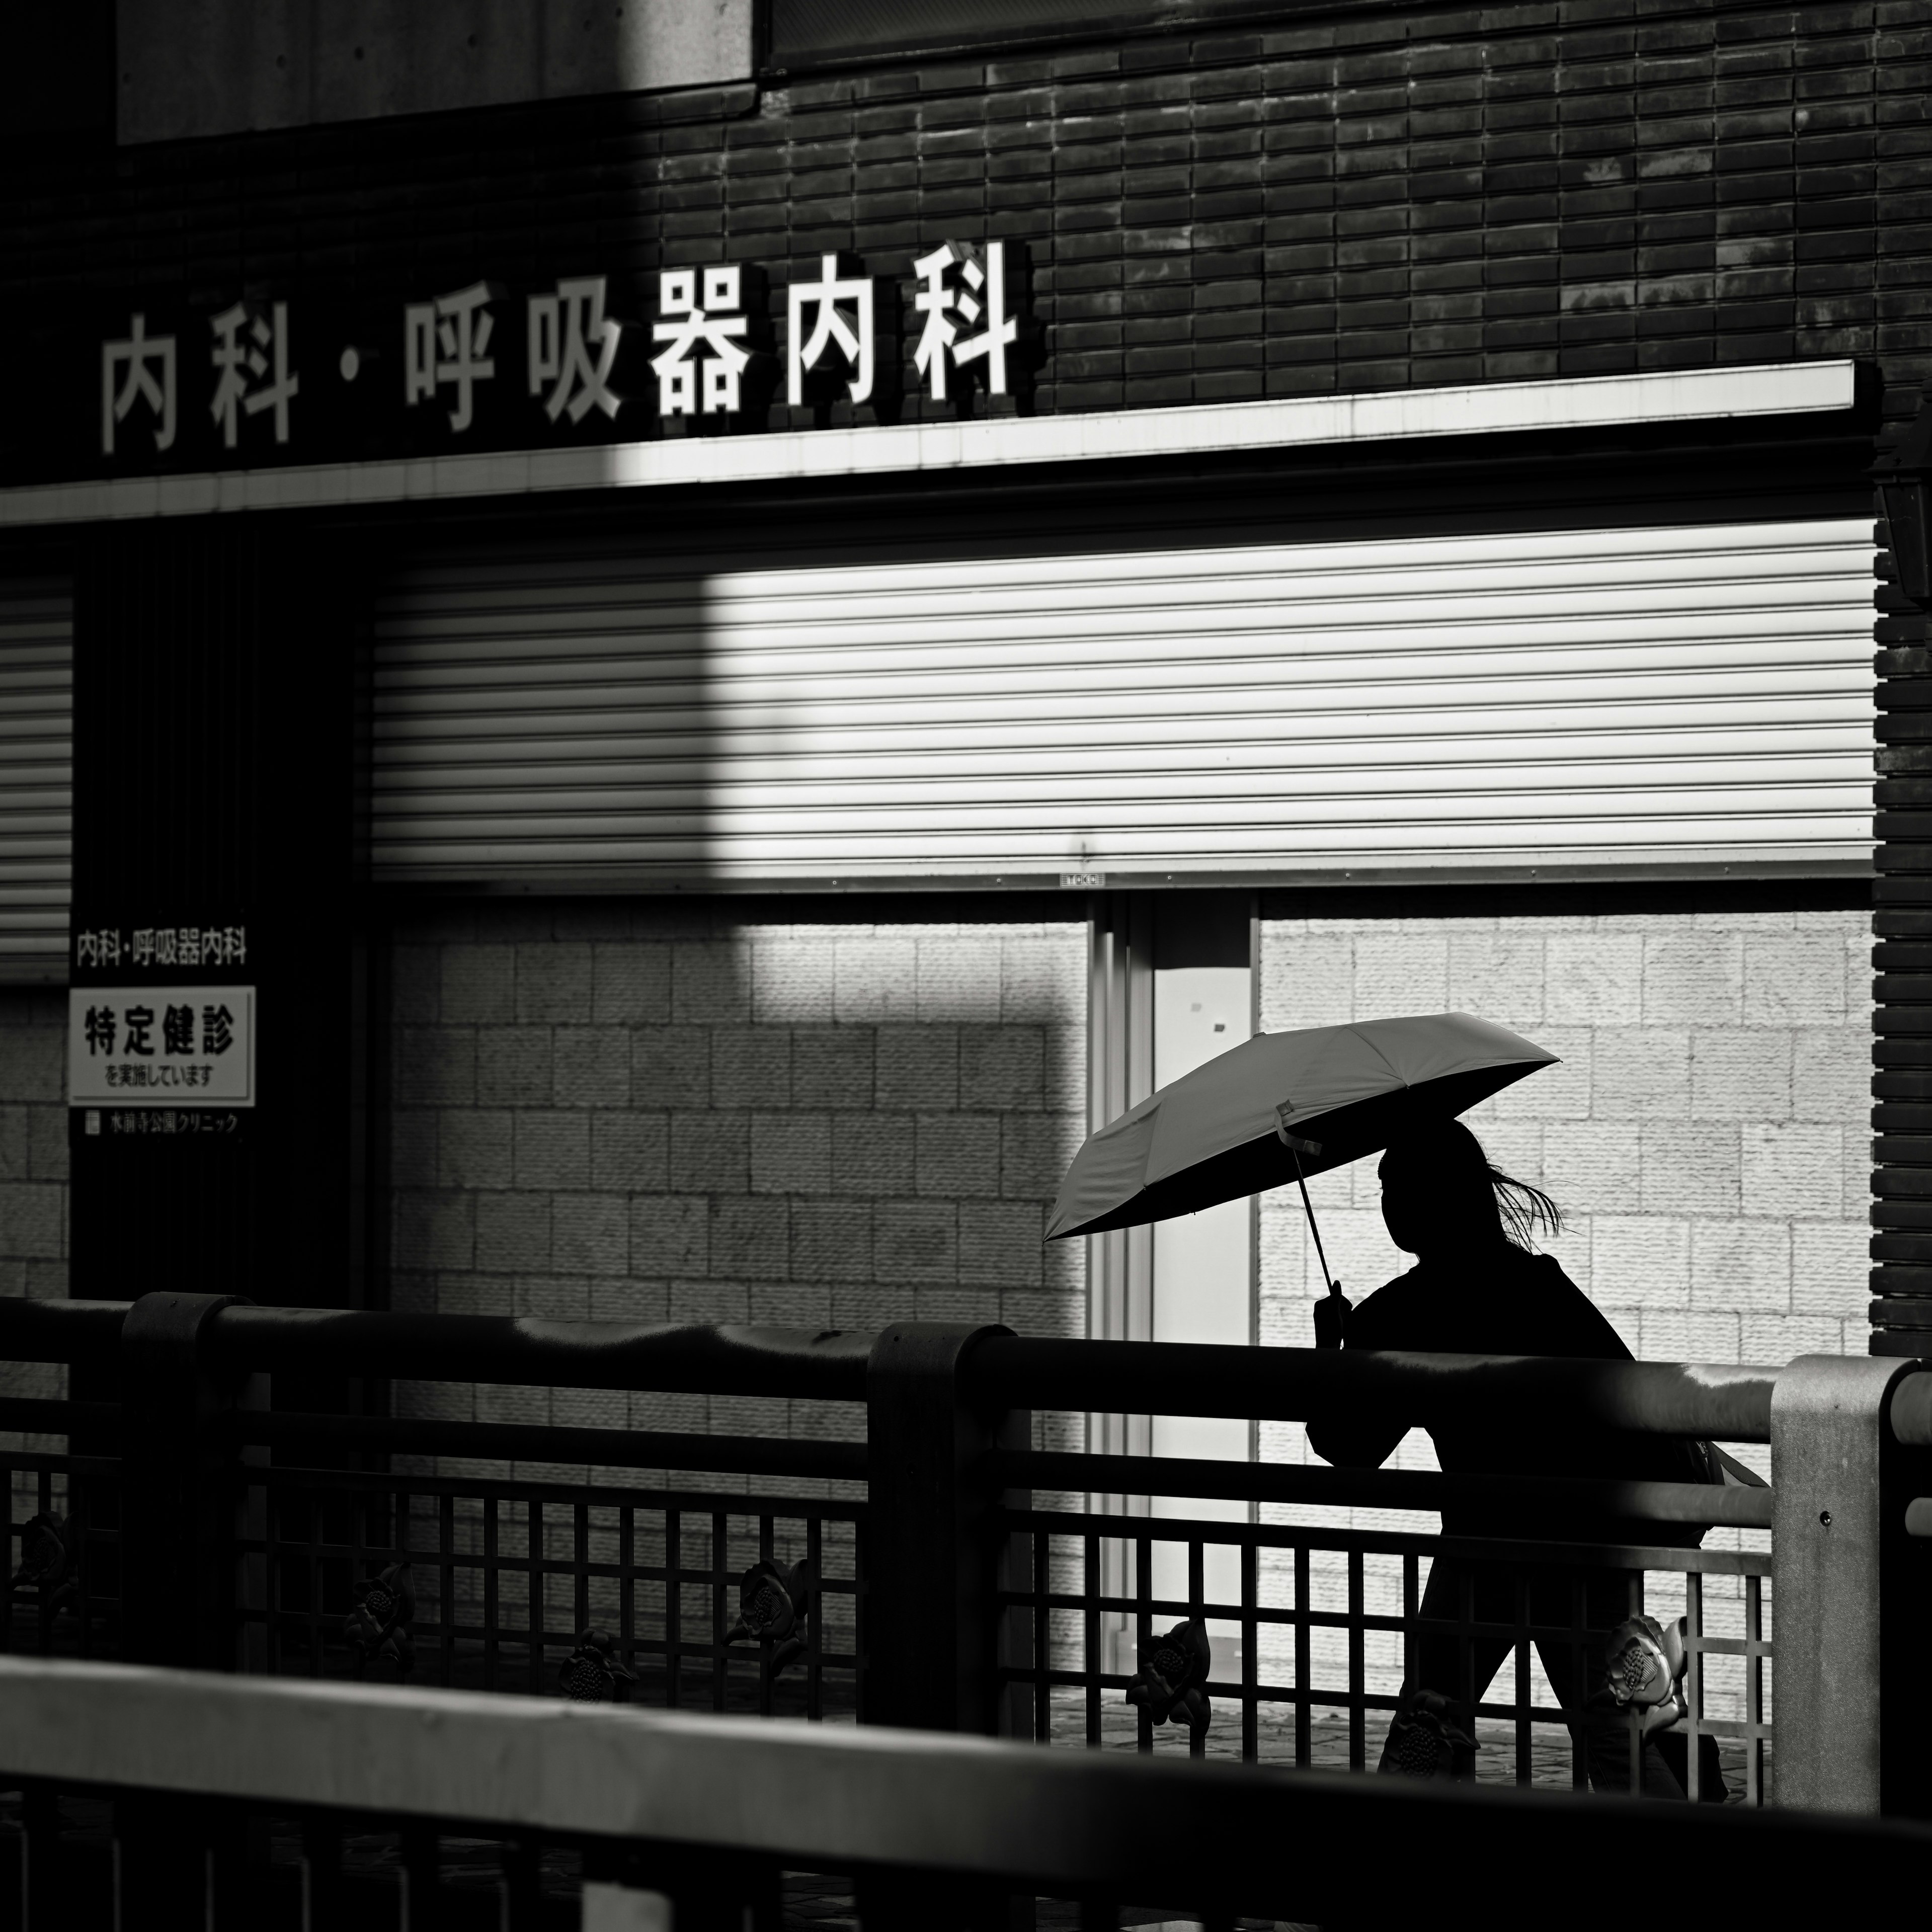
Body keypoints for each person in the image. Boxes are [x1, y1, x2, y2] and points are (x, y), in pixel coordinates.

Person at [1305, 1117, 1722, 1799]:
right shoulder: (1539, 1284)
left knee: (1432, 1717)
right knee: (1616, 1717)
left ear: (1427, 1199)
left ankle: (1399, 1865)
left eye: (1395, 1188)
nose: (1386, 1205)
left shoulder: (1398, 1314)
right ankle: (1681, 1846)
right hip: (1583, 1538)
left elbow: (1349, 1449)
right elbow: (1628, 1388)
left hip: (1482, 1545)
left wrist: (1332, 1358)